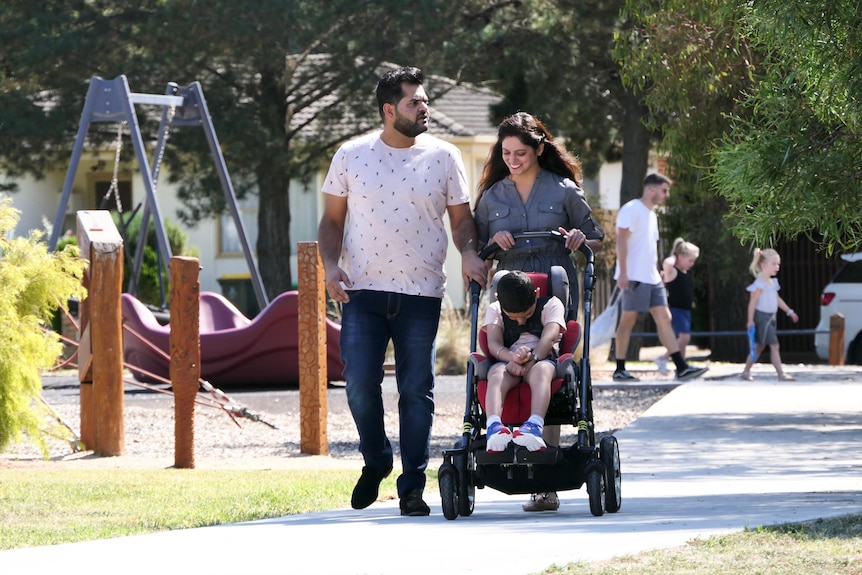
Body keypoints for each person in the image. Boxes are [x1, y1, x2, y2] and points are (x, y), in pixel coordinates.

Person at [317, 66, 487, 517]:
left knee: (417, 390)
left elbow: (462, 220)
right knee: (358, 386)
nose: (424, 108)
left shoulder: (445, 157)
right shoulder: (350, 156)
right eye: (415, 102)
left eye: (424, 100)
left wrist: (469, 253)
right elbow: (332, 222)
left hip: (421, 292)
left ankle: (413, 485)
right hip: (362, 291)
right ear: (390, 110)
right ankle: (375, 461)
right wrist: (330, 267)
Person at [473, 111, 604, 512]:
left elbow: (594, 237)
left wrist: (581, 237)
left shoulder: (563, 190)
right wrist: (493, 239)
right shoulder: (493, 197)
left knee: (549, 365)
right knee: (509, 365)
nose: (512, 159)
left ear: (539, 149)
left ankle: (543, 478)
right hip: (509, 292)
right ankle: (505, 445)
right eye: (506, 153)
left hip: (555, 286)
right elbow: (478, 249)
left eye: (521, 153)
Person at [613, 174, 708, 382]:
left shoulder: (653, 215)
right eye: (665, 190)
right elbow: (621, 241)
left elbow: (649, 249)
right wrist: (623, 273)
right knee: (628, 320)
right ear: (652, 190)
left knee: (665, 318)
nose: (667, 195)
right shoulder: (631, 209)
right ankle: (620, 368)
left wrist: (658, 273)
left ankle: (681, 367)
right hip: (634, 276)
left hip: (652, 277)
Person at [482, 271, 566, 453]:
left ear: (536, 293)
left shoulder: (551, 305)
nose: (520, 320)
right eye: (512, 318)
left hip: (542, 358)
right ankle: (494, 426)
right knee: (496, 374)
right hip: (508, 361)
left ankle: (534, 425)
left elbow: (549, 338)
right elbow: (494, 343)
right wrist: (512, 358)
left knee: (541, 371)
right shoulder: (495, 309)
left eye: (527, 314)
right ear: (498, 299)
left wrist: (531, 360)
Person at [740, 248, 799, 381]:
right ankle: (781, 374)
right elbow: (752, 303)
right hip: (763, 317)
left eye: (778, 264)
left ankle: (746, 371)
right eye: (774, 264)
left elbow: (777, 299)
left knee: (760, 346)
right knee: (774, 345)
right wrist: (750, 321)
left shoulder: (772, 283)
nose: (777, 267)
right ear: (763, 265)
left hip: (771, 317)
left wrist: (789, 311)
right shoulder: (759, 284)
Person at [653, 238, 701, 375]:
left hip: (685, 310)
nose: (692, 264)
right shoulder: (672, 271)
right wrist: (675, 255)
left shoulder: (684, 272)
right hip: (676, 309)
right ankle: (663, 358)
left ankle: (681, 368)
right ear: (680, 257)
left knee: (684, 341)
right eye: (690, 260)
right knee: (684, 338)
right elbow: (667, 264)